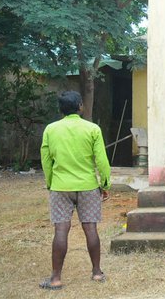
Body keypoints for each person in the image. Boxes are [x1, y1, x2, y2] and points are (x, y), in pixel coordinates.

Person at [39, 91, 111, 290]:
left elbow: (46, 161)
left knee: (61, 229)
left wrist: (51, 182)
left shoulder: (51, 130)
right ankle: (96, 273)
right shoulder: (92, 129)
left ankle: (55, 279)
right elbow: (102, 161)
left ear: (60, 109)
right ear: (80, 106)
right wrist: (104, 184)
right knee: (90, 228)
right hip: (88, 186)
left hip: (60, 186)